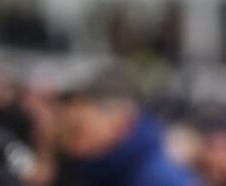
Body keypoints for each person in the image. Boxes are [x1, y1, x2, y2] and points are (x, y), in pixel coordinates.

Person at [54, 65, 198, 186]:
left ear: (119, 118)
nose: (72, 147)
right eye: (62, 137)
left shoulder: (155, 178)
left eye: (77, 131)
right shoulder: (105, 170)